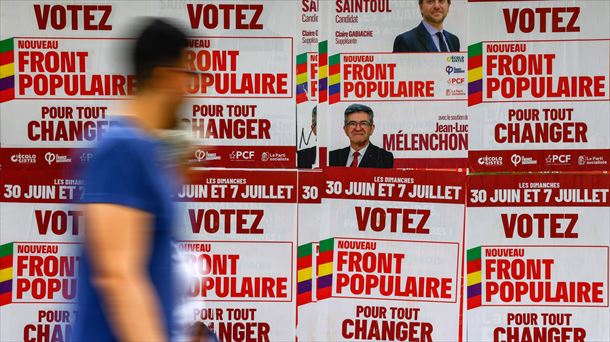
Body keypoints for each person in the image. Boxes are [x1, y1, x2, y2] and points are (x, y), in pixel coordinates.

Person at [74, 18, 191, 341]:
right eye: (188, 76)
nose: (192, 90)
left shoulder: (146, 149)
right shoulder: (120, 148)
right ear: (165, 77)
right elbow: (118, 276)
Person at [329, 104, 393, 168]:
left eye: (363, 123)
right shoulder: (331, 157)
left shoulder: (384, 157)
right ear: (345, 129)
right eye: (352, 123)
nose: (358, 128)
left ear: (372, 129)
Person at [393, 0, 460, 53]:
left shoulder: (454, 41)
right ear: (421, 7)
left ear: (448, 6)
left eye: (441, 1)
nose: (436, 6)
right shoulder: (405, 41)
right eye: (430, 1)